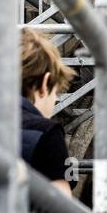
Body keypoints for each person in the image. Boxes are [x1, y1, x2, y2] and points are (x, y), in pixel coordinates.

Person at [19, 26, 77, 195]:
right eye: (56, 92)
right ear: (45, 84)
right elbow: (61, 205)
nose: (55, 100)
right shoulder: (46, 133)